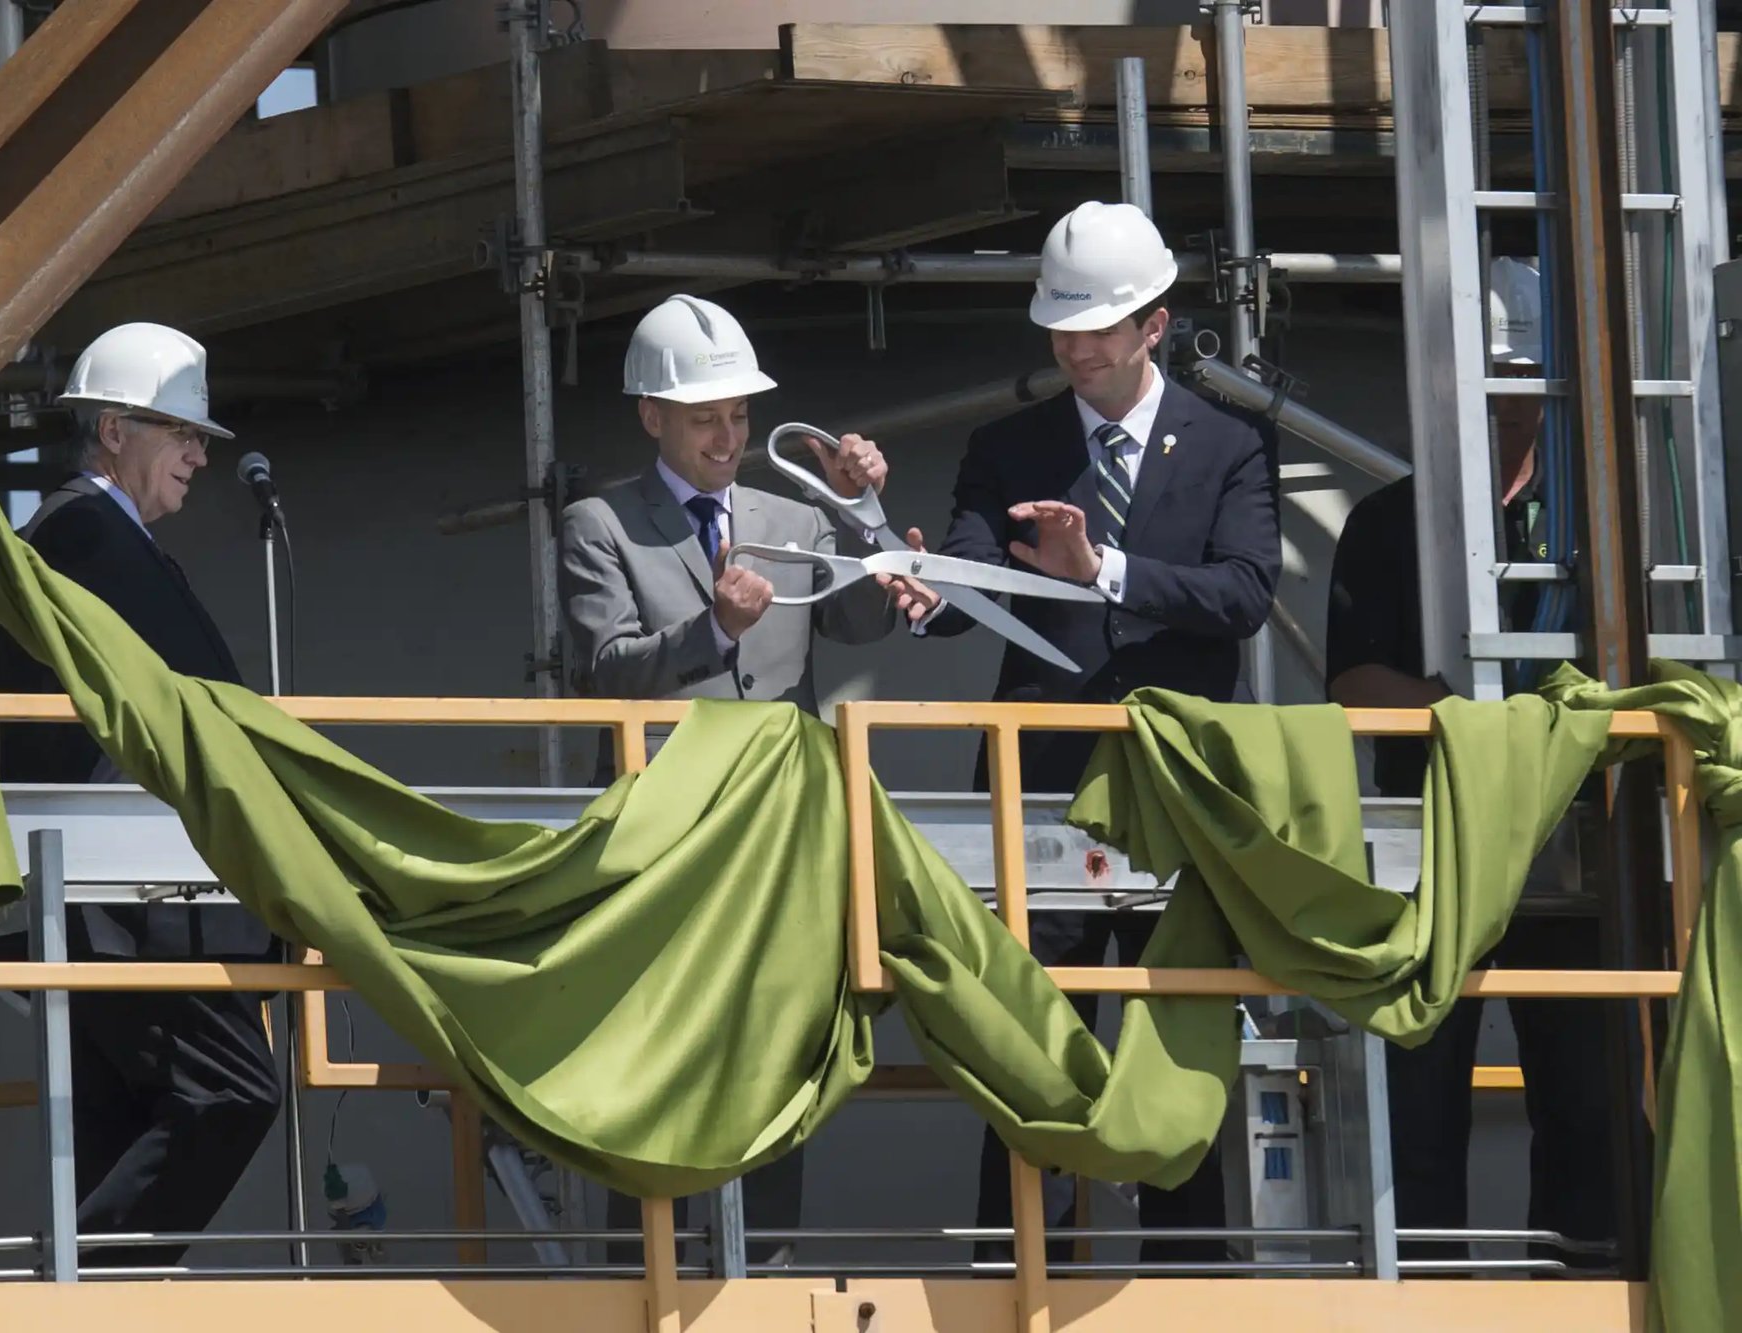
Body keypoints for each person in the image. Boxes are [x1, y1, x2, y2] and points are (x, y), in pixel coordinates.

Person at [884, 201, 1282, 1263]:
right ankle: (1017, 1278)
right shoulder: (1007, 446)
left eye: (1094, 325)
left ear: (1153, 323)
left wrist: (1100, 570)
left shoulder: (1230, 448)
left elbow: (1244, 593)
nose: (1072, 346)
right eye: (1060, 326)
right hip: (1038, 799)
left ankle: (1187, 1290)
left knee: (1175, 1058)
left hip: (1172, 800)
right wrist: (919, 586)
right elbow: (967, 570)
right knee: (1026, 1056)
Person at [559, 292, 896, 1263]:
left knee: (776, 1046)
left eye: (739, 414)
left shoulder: (793, 513)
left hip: (777, 829)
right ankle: (646, 1273)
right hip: (662, 836)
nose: (728, 433)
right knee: (659, 1057)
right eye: (706, 415)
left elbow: (866, 623)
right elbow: (604, 669)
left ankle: (771, 1271)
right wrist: (714, 632)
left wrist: (862, 511)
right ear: (651, 415)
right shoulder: (600, 523)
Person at [1325, 258, 1614, 1265]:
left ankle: (1580, 1288)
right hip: (1429, 852)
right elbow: (1352, 684)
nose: (1505, 404)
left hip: (1577, 849)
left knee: (1588, 1099)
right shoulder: (1385, 525)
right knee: (1417, 1108)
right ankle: (1423, 1289)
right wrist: (1474, 721)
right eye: (1488, 381)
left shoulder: (1600, 530)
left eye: (1519, 379)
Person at [0, 322, 281, 1269]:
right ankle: (82, 1290)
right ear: (114, 428)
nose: (200, 454)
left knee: (128, 1125)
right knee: (230, 1090)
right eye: (181, 432)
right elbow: (203, 690)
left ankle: (91, 1291)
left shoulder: (101, 535)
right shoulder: (83, 530)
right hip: (126, 898)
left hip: (114, 893)